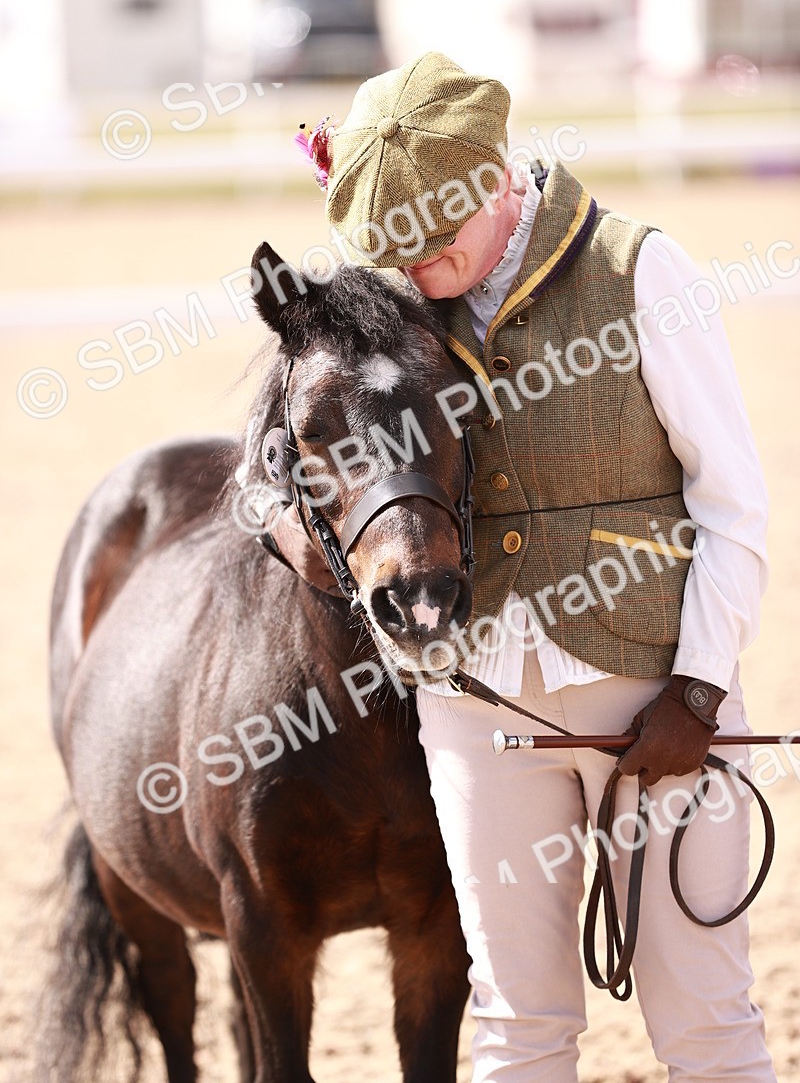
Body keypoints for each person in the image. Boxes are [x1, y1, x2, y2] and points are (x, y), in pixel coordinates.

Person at [257, 52, 775, 1081]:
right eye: (398, 250)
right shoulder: (392, 299)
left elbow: (733, 501)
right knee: (511, 1021)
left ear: (498, 178)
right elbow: (294, 458)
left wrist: (700, 690)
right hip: (476, 713)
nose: (421, 271)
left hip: (654, 702)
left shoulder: (639, 270)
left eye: (439, 244)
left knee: (706, 1024)